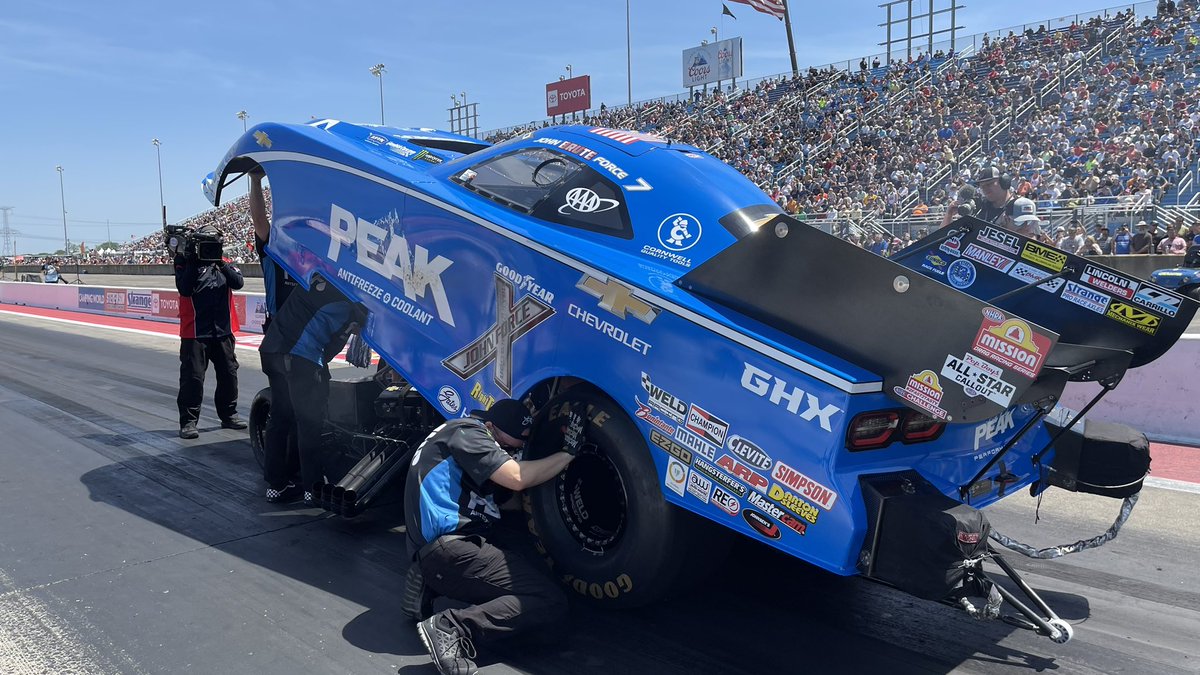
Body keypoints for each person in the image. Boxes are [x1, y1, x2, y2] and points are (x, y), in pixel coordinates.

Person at [406, 399, 574, 675]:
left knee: (543, 607)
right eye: (513, 444)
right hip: (453, 547)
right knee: (549, 601)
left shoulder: (457, 442)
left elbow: (510, 502)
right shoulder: (467, 431)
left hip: (437, 548)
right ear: (491, 427)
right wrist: (568, 455)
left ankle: (428, 582)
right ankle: (454, 626)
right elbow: (518, 478)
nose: (516, 450)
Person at [258, 275, 365, 503]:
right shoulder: (349, 304)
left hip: (271, 350)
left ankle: (275, 486)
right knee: (309, 423)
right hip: (300, 358)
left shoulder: (310, 278)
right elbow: (331, 346)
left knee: (278, 419)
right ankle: (312, 489)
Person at [174, 230, 246, 439]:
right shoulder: (184, 261)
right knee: (193, 378)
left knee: (229, 374)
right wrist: (193, 261)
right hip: (195, 331)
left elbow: (238, 282)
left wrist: (220, 263)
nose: (211, 247)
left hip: (223, 331)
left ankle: (229, 415)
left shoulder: (224, 262)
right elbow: (184, 289)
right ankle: (188, 422)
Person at [247, 168, 298, 332]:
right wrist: (255, 181)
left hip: (307, 324)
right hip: (279, 324)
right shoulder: (273, 246)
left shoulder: (311, 247)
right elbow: (259, 218)